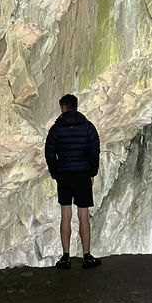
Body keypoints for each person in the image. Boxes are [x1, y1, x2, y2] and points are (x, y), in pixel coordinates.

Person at [45, 94, 102, 269]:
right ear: (76, 106)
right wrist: (92, 172)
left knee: (66, 215)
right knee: (83, 215)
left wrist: (56, 173)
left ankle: (65, 257)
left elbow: (49, 153)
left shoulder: (56, 129)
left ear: (63, 107)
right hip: (83, 174)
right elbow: (94, 151)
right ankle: (86, 257)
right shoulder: (88, 127)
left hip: (65, 175)